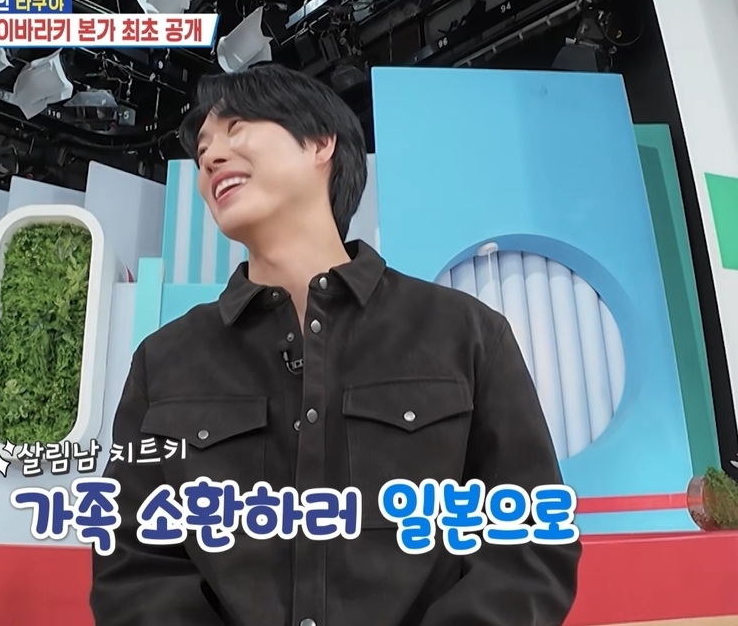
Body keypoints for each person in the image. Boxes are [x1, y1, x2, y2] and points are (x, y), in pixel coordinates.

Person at [90, 63, 581, 625]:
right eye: (202, 151)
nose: (211, 159)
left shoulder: (466, 333)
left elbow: (529, 543)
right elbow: (134, 564)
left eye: (236, 128)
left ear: (321, 143)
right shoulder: (163, 360)